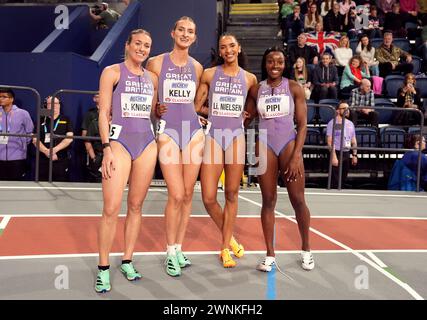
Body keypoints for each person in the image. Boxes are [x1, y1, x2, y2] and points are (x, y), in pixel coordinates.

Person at [95, 29, 160, 293]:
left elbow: (153, 114)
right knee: (111, 208)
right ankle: (102, 269)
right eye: (138, 44)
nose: (142, 49)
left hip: (147, 144)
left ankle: (127, 259)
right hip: (118, 144)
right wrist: (107, 149)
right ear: (128, 45)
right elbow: (104, 113)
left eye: (147, 45)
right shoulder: (112, 72)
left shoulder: (152, 78)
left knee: (136, 206)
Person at [245, 45, 314, 272]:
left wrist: (296, 156)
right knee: (268, 200)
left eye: (280, 62)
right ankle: (270, 255)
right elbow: (246, 119)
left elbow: (302, 124)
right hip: (264, 145)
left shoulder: (294, 88)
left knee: (298, 200)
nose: (275, 66)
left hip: (288, 145)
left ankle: (306, 249)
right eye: (271, 62)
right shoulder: (256, 90)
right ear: (265, 64)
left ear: (285, 65)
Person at [146, 17, 204, 277]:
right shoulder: (156, 63)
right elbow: (149, 104)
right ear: (172, 33)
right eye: (181, 29)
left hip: (193, 131)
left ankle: (179, 247)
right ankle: (169, 251)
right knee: (176, 194)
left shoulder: (198, 67)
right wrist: (155, 111)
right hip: (168, 132)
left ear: (194, 37)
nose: (185, 34)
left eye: (190, 31)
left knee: (189, 194)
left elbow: (194, 104)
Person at [194, 33, 257, 268]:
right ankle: (230, 238)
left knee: (231, 194)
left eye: (232, 46)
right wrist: (216, 114)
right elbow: (197, 106)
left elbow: (253, 108)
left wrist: (245, 116)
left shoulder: (250, 79)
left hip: (236, 138)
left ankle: (223, 248)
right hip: (213, 136)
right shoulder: (210, 74)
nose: (228, 50)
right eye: (224, 47)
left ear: (238, 48)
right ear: (220, 52)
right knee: (209, 197)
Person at [33, 96, 73, 182]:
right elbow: (35, 140)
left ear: (59, 105)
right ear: (46, 106)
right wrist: (47, 152)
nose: (53, 105)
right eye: (50, 103)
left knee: (60, 185)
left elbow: (69, 139)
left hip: (60, 159)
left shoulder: (66, 119)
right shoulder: (40, 120)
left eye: (55, 103)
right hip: (43, 159)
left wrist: (53, 150)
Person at [0, 88, 34, 181]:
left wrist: (22, 145)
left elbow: (29, 132)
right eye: (0, 97)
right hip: (0, 158)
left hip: (17, 158)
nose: (1, 99)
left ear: (11, 99)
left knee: (15, 186)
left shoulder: (23, 113)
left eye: (4, 97)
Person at [326, 101, 358, 189]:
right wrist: (333, 156)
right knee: (335, 179)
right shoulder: (333, 123)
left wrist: (354, 154)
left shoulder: (350, 123)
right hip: (337, 152)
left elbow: (353, 140)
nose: (347, 110)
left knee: (343, 178)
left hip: (346, 152)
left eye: (348, 109)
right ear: (337, 110)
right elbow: (329, 141)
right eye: (344, 108)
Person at [82, 93, 102, 182]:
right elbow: (85, 135)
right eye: (98, 95)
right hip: (96, 152)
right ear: (94, 99)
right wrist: (92, 155)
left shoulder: (115, 116)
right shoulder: (90, 115)